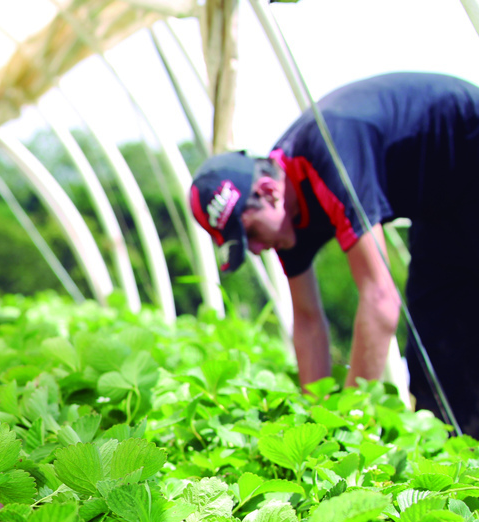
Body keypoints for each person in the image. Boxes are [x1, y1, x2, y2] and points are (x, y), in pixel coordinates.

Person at [189, 72, 479, 436]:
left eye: (252, 234)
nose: (259, 249)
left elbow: (380, 300)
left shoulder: (326, 153)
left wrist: (348, 429)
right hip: (441, 207)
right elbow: (309, 324)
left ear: (268, 191)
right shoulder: (284, 219)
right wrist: (316, 434)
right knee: (437, 373)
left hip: (470, 155)